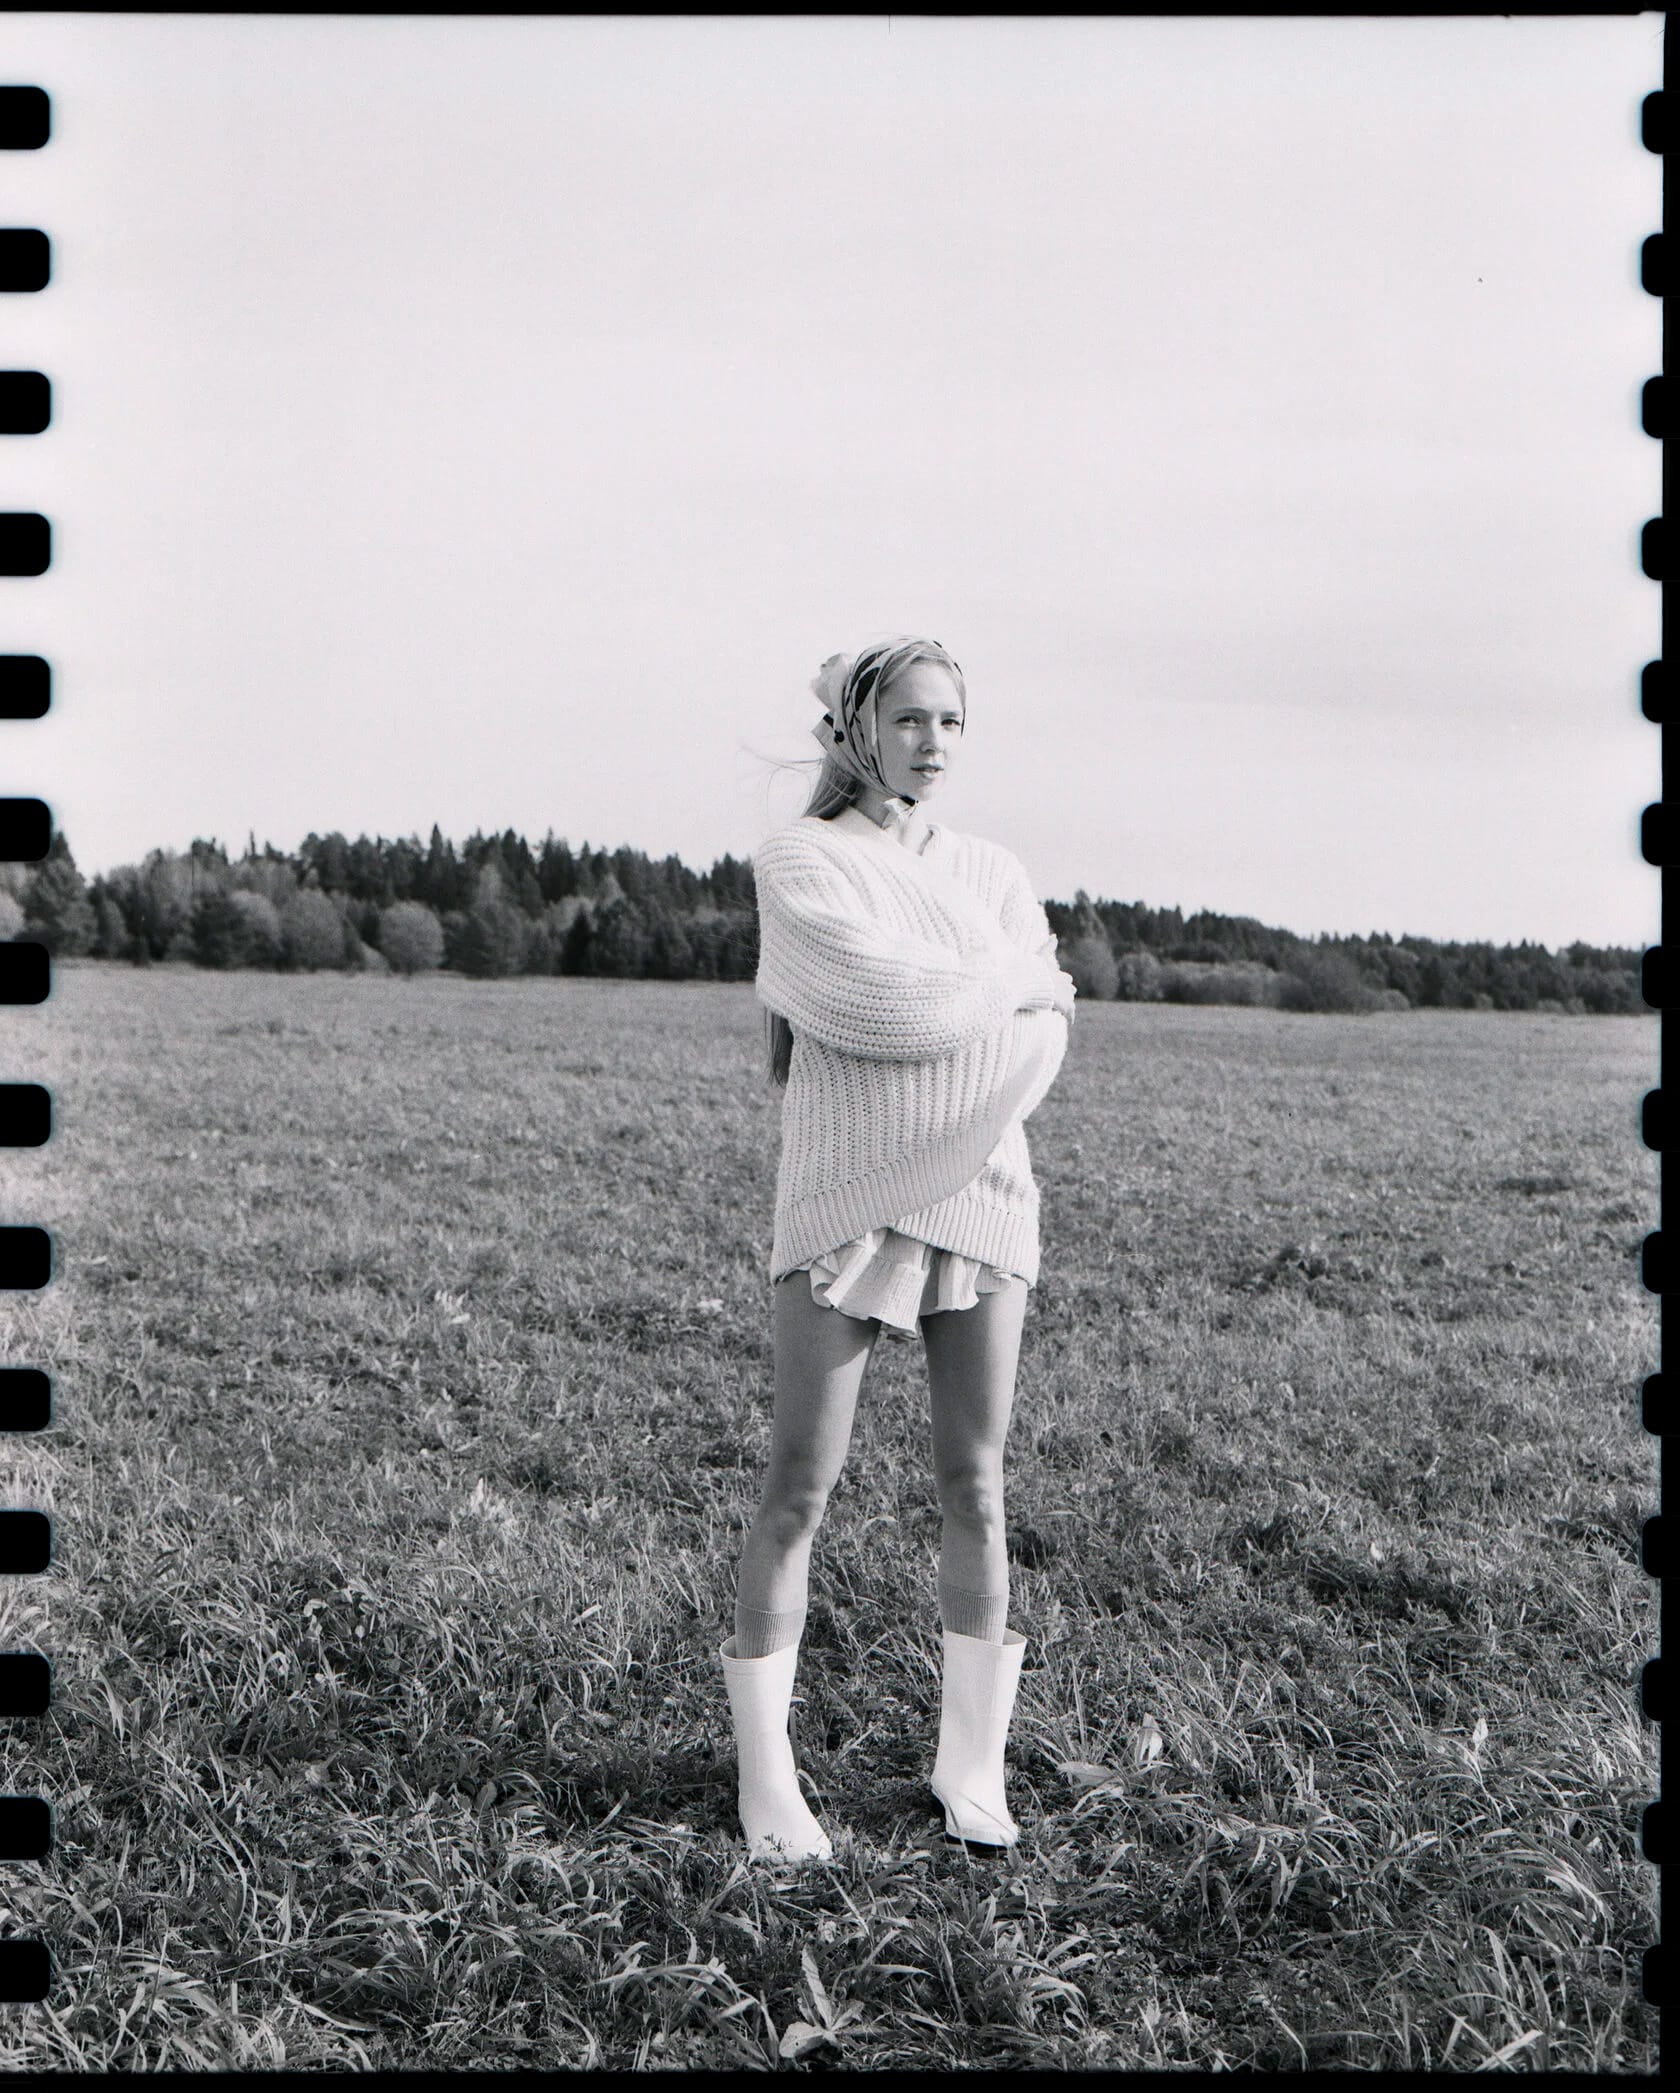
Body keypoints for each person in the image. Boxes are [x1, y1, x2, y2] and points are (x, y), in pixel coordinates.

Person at [719, 636, 1077, 1863]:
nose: (934, 742)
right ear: (856, 727)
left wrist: (984, 1002)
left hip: (985, 1191)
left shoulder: (993, 869)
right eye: (912, 718)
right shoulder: (800, 858)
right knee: (798, 1487)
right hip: (844, 1195)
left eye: (952, 721)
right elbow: (880, 1003)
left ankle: (972, 1765)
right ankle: (768, 1779)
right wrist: (1002, 986)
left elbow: (1047, 1035)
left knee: (976, 1483)